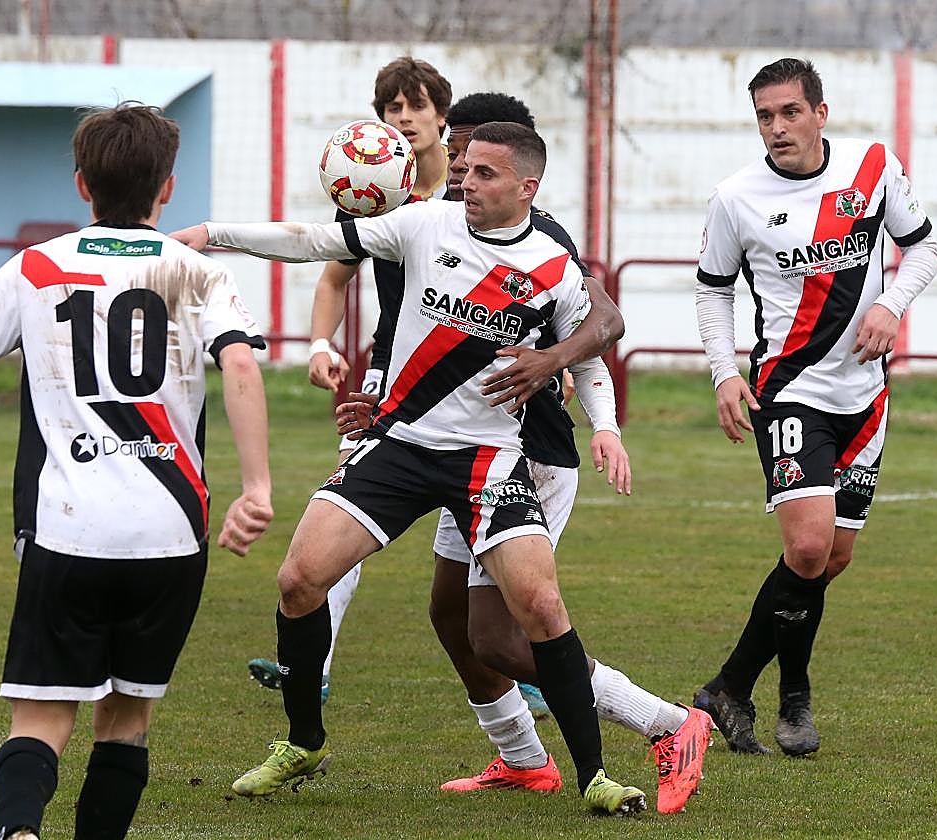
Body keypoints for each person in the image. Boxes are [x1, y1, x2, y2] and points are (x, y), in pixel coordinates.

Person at [174, 122, 655, 816]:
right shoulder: (423, 224)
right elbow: (314, 242)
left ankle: (595, 777)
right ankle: (303, 741)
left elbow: (587, 357)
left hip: (490, 461)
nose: (466, 182)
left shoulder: (552, 266)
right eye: (463, 170)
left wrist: (605, 429)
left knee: (542, 607)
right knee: (299, 579)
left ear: (528, 187)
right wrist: (212, 233)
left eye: (485, 174)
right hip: (398, 443)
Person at [0, 102, 273, 840]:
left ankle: (20, 832)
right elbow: (242, 365)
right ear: (168, 189)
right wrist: (257, 489)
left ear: (82, 184)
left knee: (41, 715)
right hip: (170, 536)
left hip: (67, 529)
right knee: (125, 722)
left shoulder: (37, 266)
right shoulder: (198, 273)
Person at [334, 91, 712, 814]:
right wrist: (384, 406)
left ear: (522, 173)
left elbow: (602, 325)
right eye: (460, 152)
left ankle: (668, 724)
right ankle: (522, 758)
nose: (463, 172)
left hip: (524, 454)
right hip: (450, 450)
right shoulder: (433, 224)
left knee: (503, 637)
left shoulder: (544, 240)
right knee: (452, 617)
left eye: (481, 158)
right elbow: (432, 349)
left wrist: (579, 392)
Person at [693, 58, 937, 756]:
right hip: (790, 391)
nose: (777, 127)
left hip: (866, 397)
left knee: (829, 559)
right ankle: (788, 696)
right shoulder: (736, 197)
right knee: (804, 547)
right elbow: (713, 290)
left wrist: (892, 304)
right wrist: (722, 373)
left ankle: (732, 689)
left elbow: (923, 250)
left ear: (820, 112)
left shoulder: (871, 168)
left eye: (790, 112)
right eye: (765, 116)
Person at [249, 56, 455, 704]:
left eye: (416, 107)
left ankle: (523, 661)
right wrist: (317, 344)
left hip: (472, 376)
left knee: (486, 523)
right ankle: (314, 660)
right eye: (392, 109)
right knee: (343, 508)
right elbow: (333, 279)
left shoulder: (475, 190)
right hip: (389, 372)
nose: (404, 118)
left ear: (441, 116)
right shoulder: (378, 198)